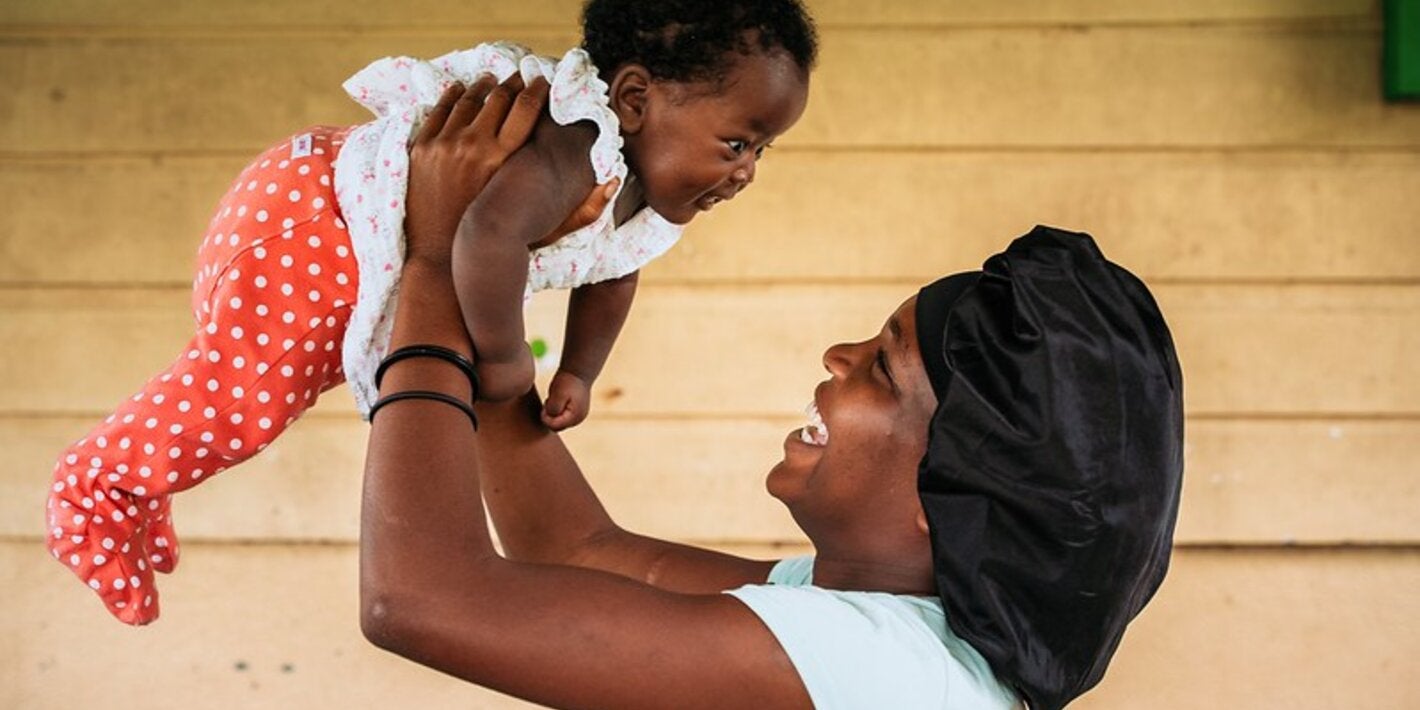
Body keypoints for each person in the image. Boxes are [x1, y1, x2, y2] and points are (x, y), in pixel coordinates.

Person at [361, 80, 1186, 709]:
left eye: (883, 369)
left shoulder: (881, 670)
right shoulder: (874, 617)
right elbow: (574, 550)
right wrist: (492, 289)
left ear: (955, 493)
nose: (838, 355)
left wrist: (435, 258)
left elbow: (419, 600)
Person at [45, 0, 818, 625]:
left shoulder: (650, 194)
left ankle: (141, 487)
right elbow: (484, 235)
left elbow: (616, 272)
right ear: (636, 100)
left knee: (245, 395)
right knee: (247, 396)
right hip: (320, 220)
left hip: (352, 251)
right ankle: (94, 485)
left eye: (763, 150)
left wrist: (583, 368)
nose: (746, 171)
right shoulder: (575, 145)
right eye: (736, 142)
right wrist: (511, 358)